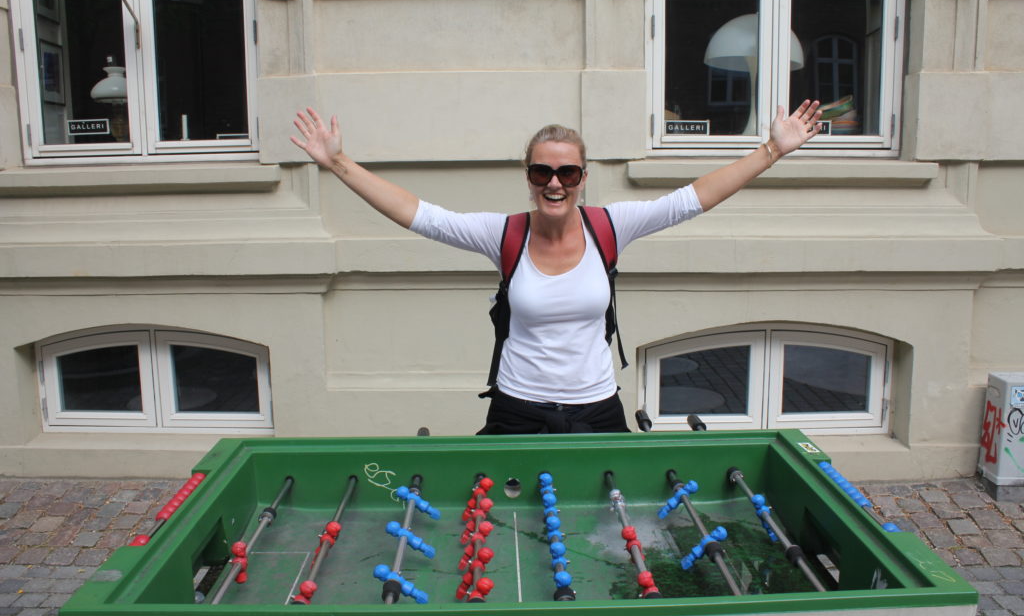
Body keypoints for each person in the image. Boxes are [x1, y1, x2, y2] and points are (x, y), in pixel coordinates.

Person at [291, 101, 822, 435]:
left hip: (596, 410)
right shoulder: (504, 235)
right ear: (528, 175)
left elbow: (692, 198)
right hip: (516, 409)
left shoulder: (612, 227)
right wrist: (338, 163)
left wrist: (773, 150)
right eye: (543, 170)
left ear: (582, 177)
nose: (555, 182)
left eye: (567, 171)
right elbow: (418, 214)